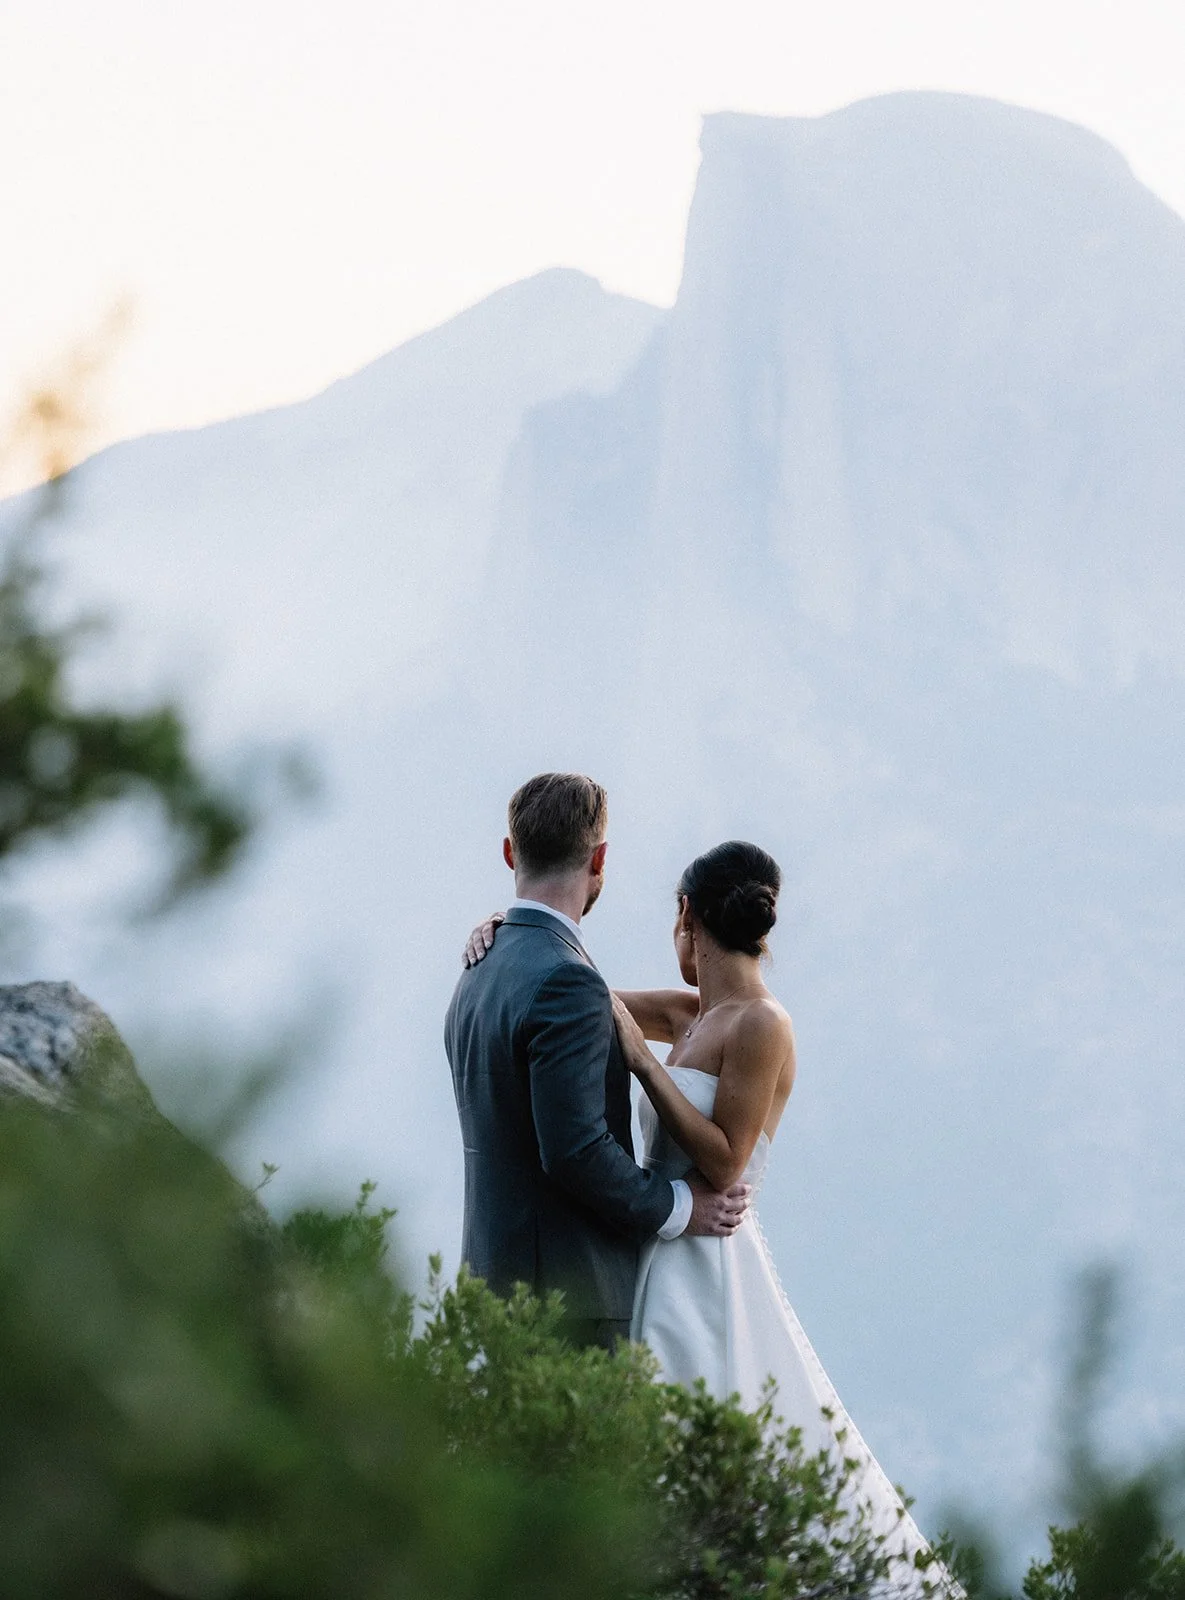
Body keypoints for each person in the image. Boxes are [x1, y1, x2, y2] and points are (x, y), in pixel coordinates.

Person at [466, 835, 952, 1589]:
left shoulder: (762, 1024)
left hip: (705, 1254)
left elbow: (725, 1157)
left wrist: (644, 1068)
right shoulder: (692, 1012)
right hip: (652, 1247)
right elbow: (562, 990)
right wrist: (504, 933)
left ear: (684, 917)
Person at [444, 772, 751, 1352]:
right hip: (572, 1303)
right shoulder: (567, 979)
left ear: (511, 852)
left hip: (490, 1291)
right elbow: (575, 1151)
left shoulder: (478, 970)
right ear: (600, 857)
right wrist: (683, 1207)